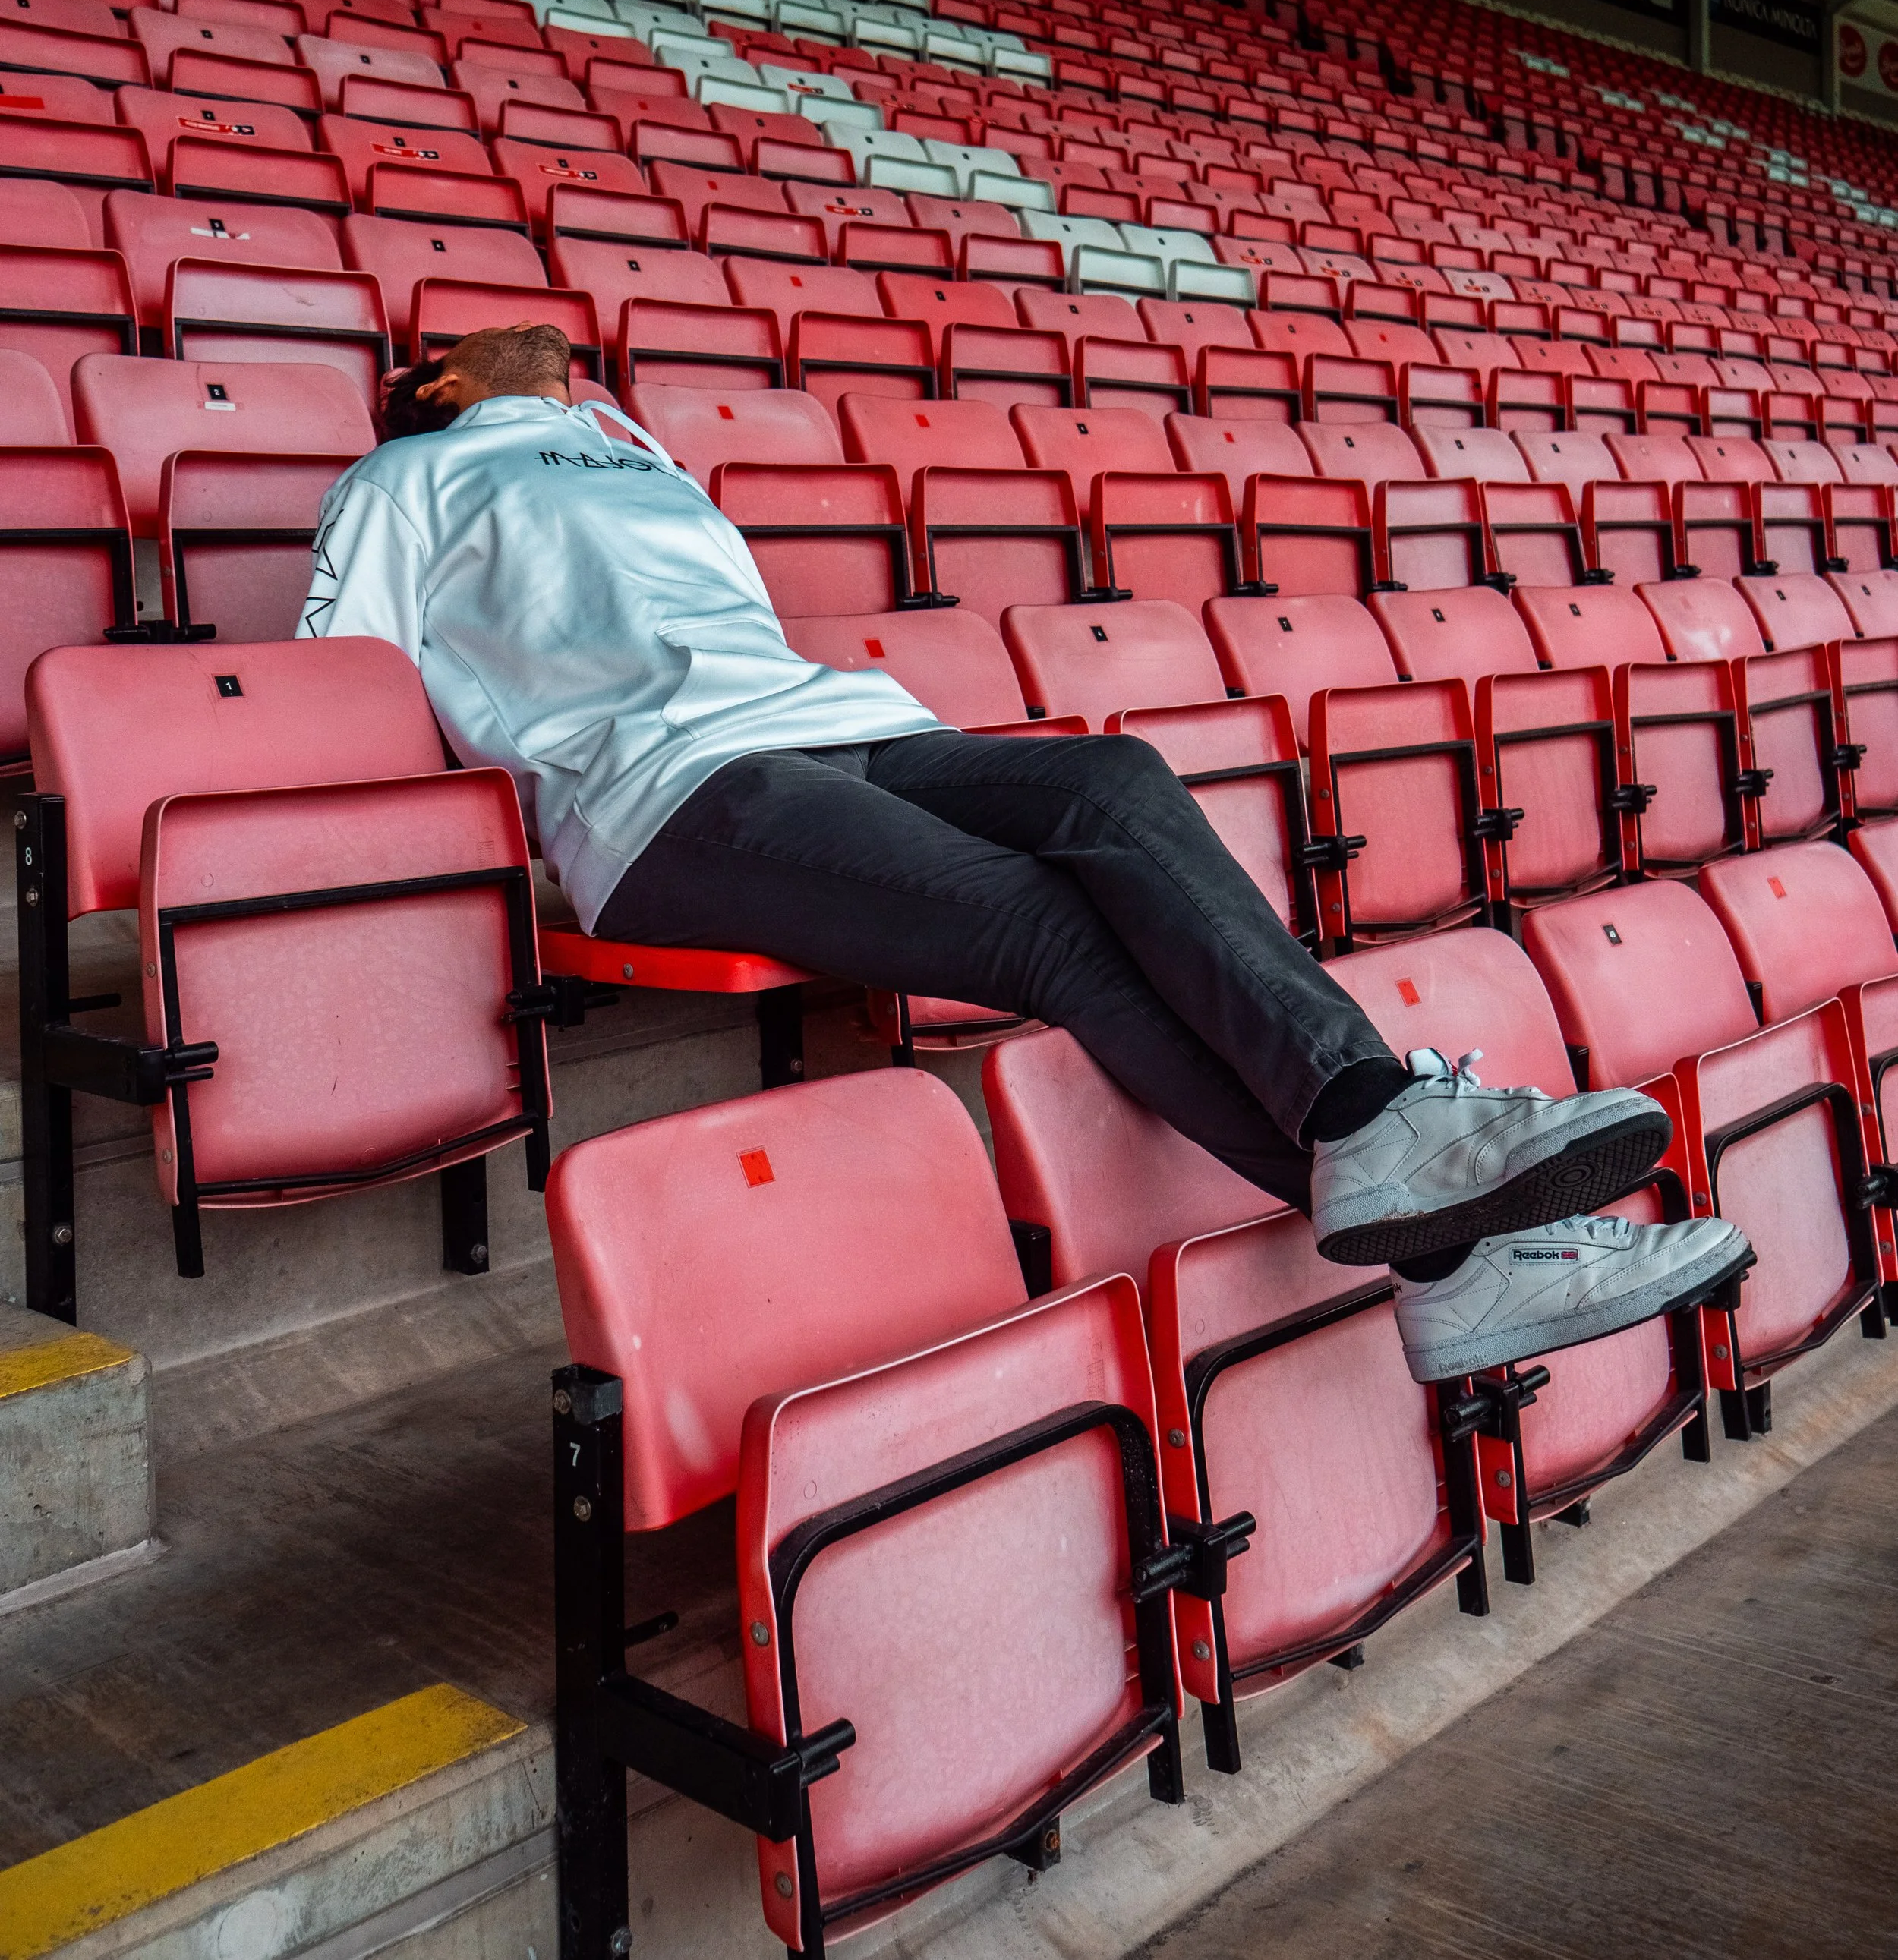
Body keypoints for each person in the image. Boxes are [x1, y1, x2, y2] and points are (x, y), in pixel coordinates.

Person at [301, 324, 1751, 1382]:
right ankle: (1450, 1240)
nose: (549, 356)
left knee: (1113, 782)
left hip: (839, 724)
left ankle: (1389, 1140)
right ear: (435, 389)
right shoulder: (402, 483)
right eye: (501, 355)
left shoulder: (646, 462)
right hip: (669, 791)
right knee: (1041, 921)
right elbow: (349, 684)